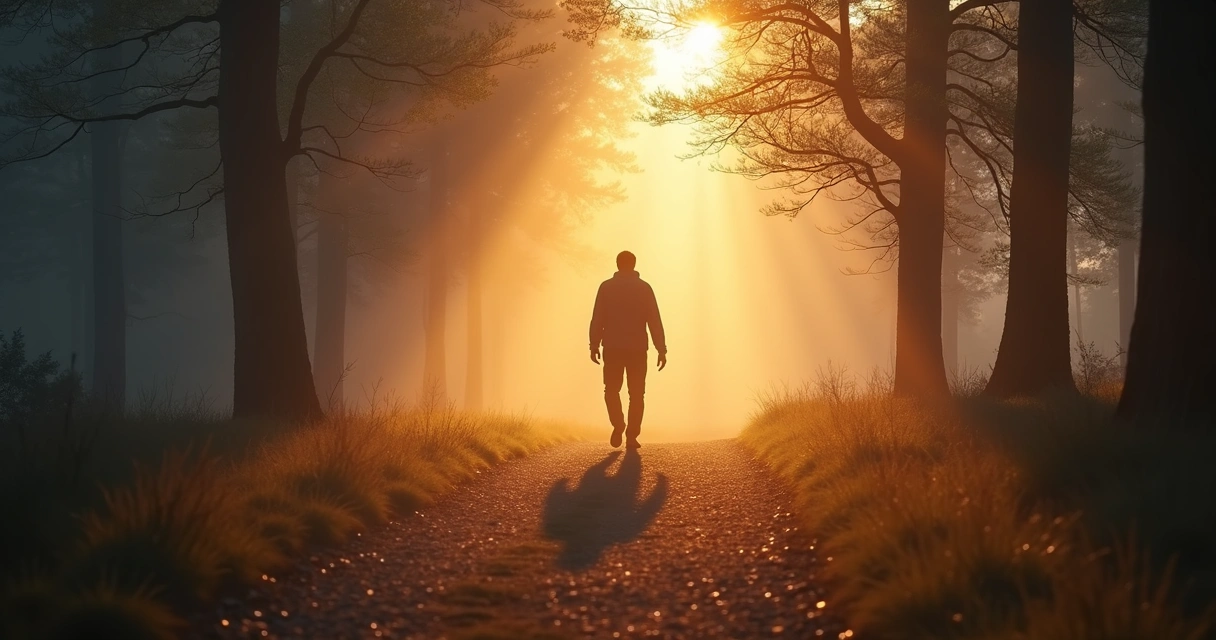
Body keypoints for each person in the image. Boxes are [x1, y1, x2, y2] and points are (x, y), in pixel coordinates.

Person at [588, 251, 667, 449]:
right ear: (634, 265)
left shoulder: (606, 287)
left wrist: (594, 344)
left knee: (611, 390)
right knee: (637, 394)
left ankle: (618, 423)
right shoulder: (644, 288)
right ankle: (631, 435)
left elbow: (597, 317)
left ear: (617, 264)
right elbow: (654, 320)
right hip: (637, 349)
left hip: (613, 348)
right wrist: (661, 349)